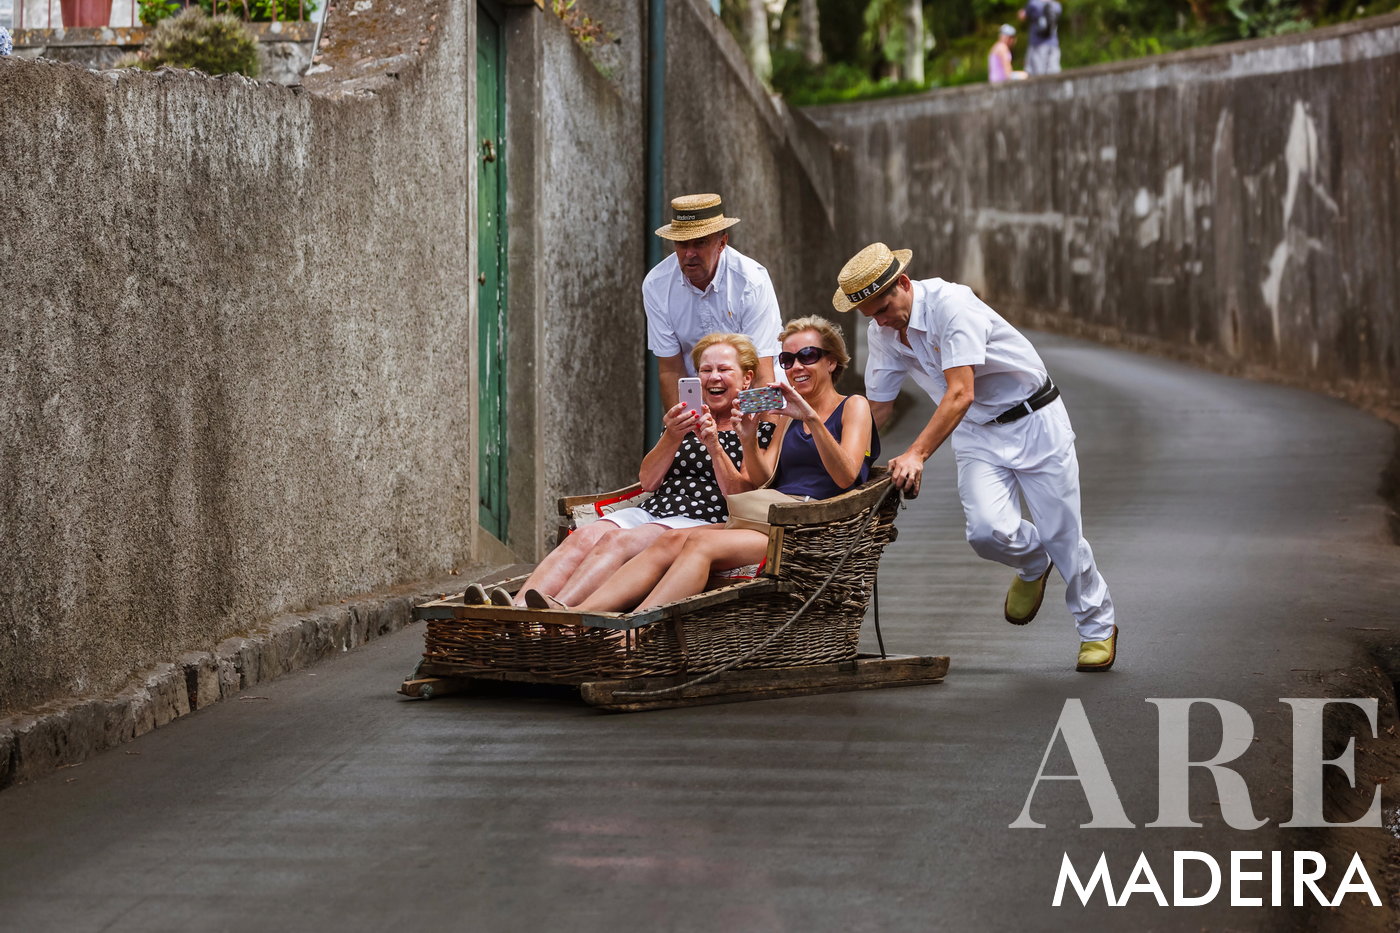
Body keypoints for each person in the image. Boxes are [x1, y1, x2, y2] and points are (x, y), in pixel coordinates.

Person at [831, 242, 1116, 671]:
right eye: (871, 315)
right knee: (985, 532)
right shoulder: (883, 331)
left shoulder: (952, 305)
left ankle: (1097, 627)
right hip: (978, 433)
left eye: (885, 306)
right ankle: (1034, 560)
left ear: (904, 284)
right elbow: (878, 408)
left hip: (1034, 418)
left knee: (1063, 533)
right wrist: (838, 451)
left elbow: (960, 392)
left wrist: (916, 454)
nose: (883, 320)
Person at [570, 316, 878, 614]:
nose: (796, 366)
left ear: (831, 361)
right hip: (767, 515)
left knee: (701, 544)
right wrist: (748, 438)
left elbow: (846, 475)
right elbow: (762, 479)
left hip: (806, 525)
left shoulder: (852, 406)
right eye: (787, 359)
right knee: (673, 538)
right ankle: (582, 616)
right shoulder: (786, 417)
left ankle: (633, 632)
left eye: (807, 356)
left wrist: (811, 418)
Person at [466, 334, 779, 608]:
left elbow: (738, 496)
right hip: (654, 508)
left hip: (703, 518)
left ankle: (559, 609)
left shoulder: (754, 430)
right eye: (705, 370)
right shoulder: (683, 421)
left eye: (724, 370)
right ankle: (517, 609)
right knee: (585, 536)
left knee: (617, 541)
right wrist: (671, 435)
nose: (713, 377)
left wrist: (713, 443)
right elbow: (648, 480)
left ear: (746, 379)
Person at [645, 193, 782, 412]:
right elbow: (670, 370)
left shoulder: (751, 281)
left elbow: (762, 372)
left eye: (700, 243)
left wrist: (761, 439)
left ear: (722, 243)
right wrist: (686, 435)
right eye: (681, 244)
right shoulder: (656, 285)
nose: (690, 253)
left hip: (753, 402)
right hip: (698, 404)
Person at [1018, 0, 1062, 76]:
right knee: (1054, 73)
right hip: (1054, 44)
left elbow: (1022, 16)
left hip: (1037, 44)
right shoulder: (1057, 5)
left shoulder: (1033, 4)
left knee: (1037, 73)